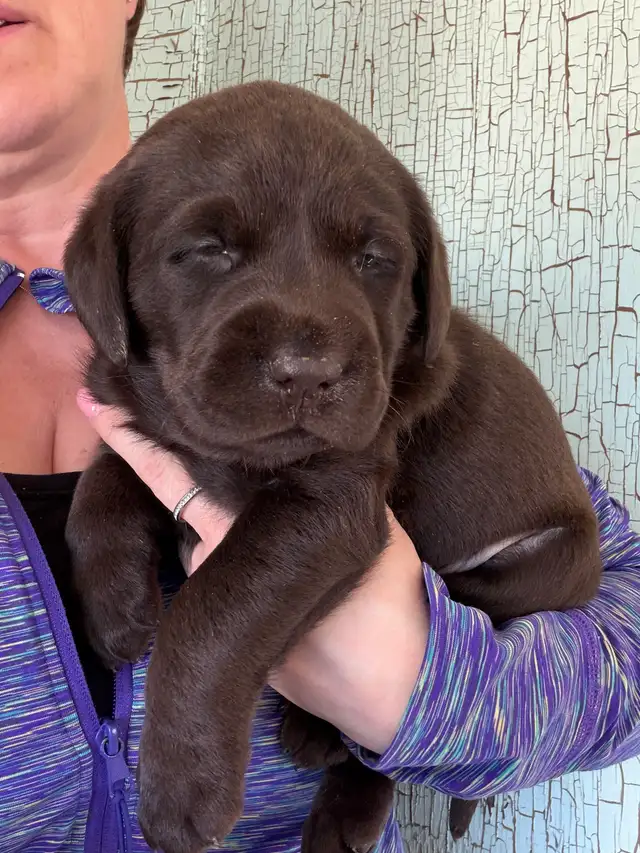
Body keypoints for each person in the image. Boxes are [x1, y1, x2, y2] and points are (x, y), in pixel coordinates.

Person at [1, 2, 639, 851]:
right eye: (206, 251)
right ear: (109, 281)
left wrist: (422, 686)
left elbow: (617, 619)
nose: (303, 357)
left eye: (373, 262)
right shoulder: (142, 352)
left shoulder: (401, 350)